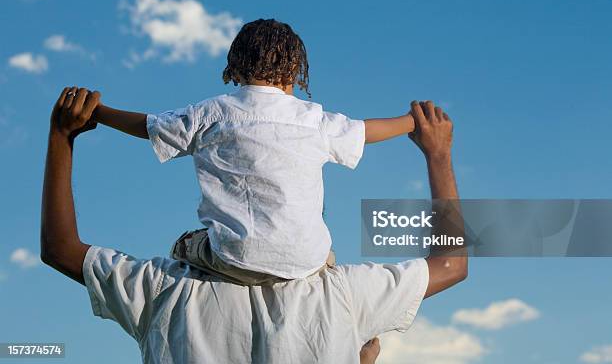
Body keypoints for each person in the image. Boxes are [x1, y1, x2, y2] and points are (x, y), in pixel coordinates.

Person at [41, 87, 466, 363]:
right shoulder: (344, 299)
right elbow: (452, 264)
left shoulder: (166, 290)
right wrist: (439, 155)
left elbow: (60, 249)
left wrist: (63, 136)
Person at [89, 18, 417, 285]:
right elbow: (366, 130)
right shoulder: (314, 119)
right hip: (303, 260)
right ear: (294, 72)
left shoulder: (210, 113)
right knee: (325, 258)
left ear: (237, 67)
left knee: (185, 245)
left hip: (234, 256)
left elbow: (150, 126)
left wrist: (98, 112)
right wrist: (411, 120)